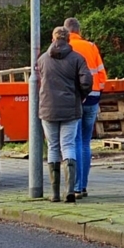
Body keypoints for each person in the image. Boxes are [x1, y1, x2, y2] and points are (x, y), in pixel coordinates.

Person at [37, 26, 92, 203]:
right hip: (70, 108)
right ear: (68, 40)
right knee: (68, 145)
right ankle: (69, 190)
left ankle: (54, 193)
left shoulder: (42, 59)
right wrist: (80, 96)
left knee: (53, 147)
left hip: (48, 108)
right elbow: (87, 81)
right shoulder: (77, 59)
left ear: (53, 39)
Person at [65, 17, 108, 198]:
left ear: (67, 31)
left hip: (75, 98)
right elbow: (102, 76)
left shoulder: (67, 48)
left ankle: (75, 187)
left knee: (74, 141)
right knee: (85, 142)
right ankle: (83, 186)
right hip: (93, 96)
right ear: (79, 30)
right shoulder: (91, 47)